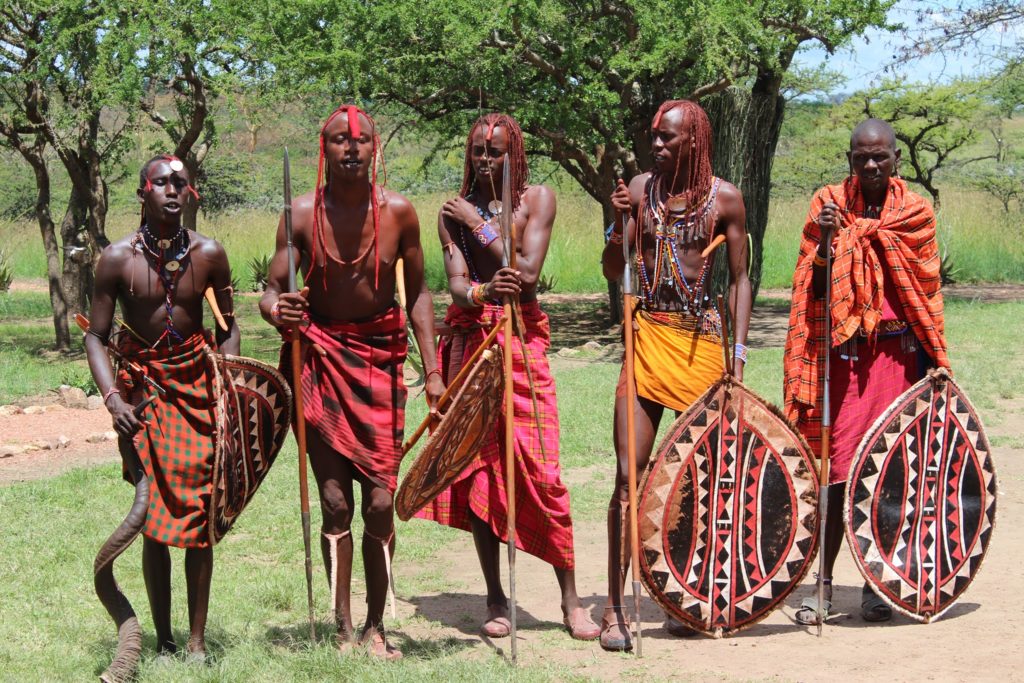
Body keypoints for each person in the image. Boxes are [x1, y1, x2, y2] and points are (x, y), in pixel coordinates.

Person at [260, 104, 443, 660]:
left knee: (382, 503)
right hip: (318, 359)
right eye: (340, 140)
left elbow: (417, 295)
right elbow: (269, 290)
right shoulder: (299, 215)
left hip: (380, 364)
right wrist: (278, 312)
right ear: (325, 148)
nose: (351, 149)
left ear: (375, 149)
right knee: (336, 502)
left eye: (361, 141)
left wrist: (433, 372)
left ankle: (376, 625)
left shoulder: (400, 214)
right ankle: (342, 627)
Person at [416, 113, 600, 641]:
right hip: (471, 344)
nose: (485, 159)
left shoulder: (536, 199)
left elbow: (528, 275)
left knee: (542, 469)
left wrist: (481, 226)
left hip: (521, 343)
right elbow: (455, 285)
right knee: (476, 470)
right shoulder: (448, 213)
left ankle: (570, 600)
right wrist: (479, 292)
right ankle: (496, 596)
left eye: (495, 151)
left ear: (515, 153)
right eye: (477, 150)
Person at [783, 118, 949, 625]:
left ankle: (880, 585)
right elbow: (811, 287)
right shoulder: (827, 203)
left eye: (880, 156)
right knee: (835, 473)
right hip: (843, 359)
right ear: (849, 159)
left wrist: (932, 369)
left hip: (898, 360)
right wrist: (829, 244)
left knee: (890, 474)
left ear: (897, 159)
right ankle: (825, 586)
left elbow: (924, 293)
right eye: (862, 157)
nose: (871, 165)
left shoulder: (916, 212)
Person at [601, 100, 752, 651]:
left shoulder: (726, 199)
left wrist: (736, 357)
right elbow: (614, 270)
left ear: (694, 141)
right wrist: (619, 228)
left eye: (667, 139)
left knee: (698, 479)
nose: (656, 147)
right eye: (654, 139)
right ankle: (616, 609)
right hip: (647, 339)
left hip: (701, 346)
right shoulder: (642, 191)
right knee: (628, 477)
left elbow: (738, 280)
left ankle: (682, 596)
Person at [85, 154, 240, 659]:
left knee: (198, 517)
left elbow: (228, 326)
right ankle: (165, 639)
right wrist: (113, 401)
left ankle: (196, 642)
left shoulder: (210, 254)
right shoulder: (116, 259)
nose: (173, 191)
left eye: (182, 184)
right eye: (163, 183)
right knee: (152, 517)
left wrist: (226, 378)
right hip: (143, 395)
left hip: (198, 391)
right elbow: (97, 338)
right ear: (143, 192)